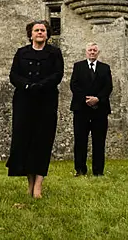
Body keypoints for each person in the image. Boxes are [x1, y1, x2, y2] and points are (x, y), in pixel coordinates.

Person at [6, 20, 64, 198]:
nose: (40, 33)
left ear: (47, 34)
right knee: (25, 141)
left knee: (42, 141)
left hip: (46, 101)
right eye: (36, 30)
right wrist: (28, 86)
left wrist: (40, 86)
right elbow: (14, 75)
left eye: (43, 30)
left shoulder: (54, 53)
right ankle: (29, 183)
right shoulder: (21, 53)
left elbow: (57, 74)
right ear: (30, 34)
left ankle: (38, 184)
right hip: (24, 101)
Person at [69, 42, 112, 177]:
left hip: (100, 110)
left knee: (99, 141)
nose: (92, 52)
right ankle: (80, 170)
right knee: (80, 140)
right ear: (86, 52)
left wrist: (97, 98)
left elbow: (108, 87)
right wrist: (86, 99)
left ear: (98, 53)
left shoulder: (105, 68)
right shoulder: (78, 66)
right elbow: (74, 85)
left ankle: (98, 171)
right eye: (90, 50)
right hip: (81, 109)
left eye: (94, 50)